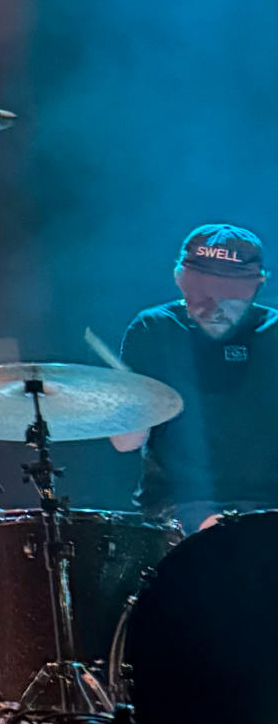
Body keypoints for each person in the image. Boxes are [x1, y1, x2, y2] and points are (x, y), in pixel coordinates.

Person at [109, 222, 278, 532]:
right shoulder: (154, 329)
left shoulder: (274, 334)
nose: (213, 309)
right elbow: (125, 443)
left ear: (257, 287)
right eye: (201, 296)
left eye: (229, 298)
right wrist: (128, 412)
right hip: (178, 503)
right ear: (179, 280)